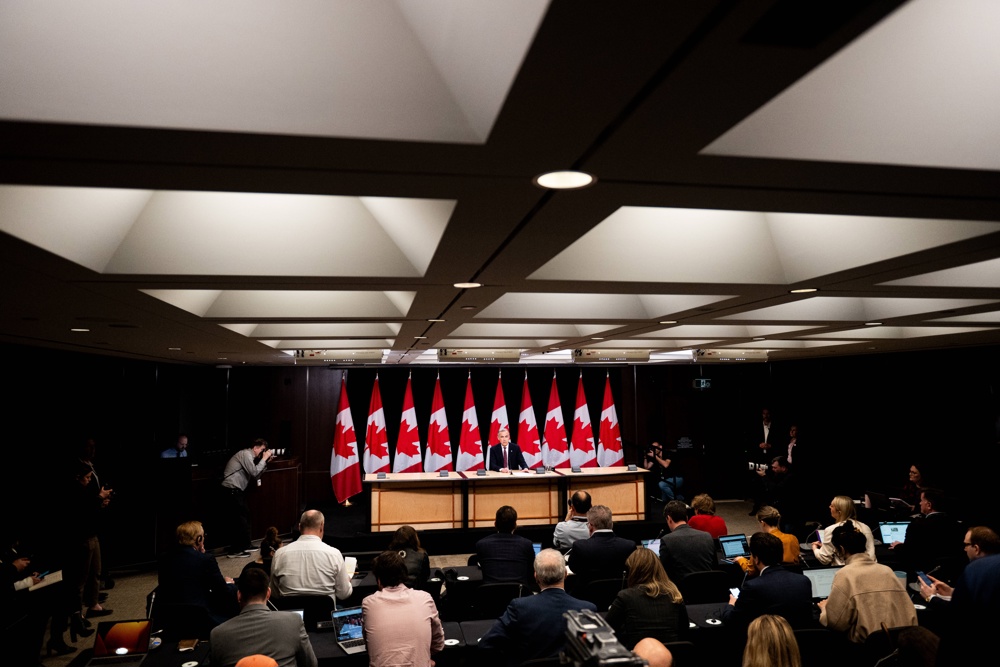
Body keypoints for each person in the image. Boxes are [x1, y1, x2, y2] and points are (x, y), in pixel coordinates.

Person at [478, 548, 596, 665]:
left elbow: (486, 644)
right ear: (565, 574)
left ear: (536, 576)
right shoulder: (588, 610)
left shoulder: (520, 607)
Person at [818, 523, 917, 642]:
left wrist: (825, 610)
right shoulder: (887, 570)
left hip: (867, 646)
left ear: (842, 549)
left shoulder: (844, 574)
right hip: (903, 642)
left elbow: (835, 623)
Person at [209, 567, 317, 667]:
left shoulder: (217, 634)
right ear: (268, 593)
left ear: (239, 595)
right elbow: (311, 664)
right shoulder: (294, 621)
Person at [362, 550, 444, 667]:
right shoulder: (425, 598)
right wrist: (423, 657)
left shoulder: (368, 604)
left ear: (378, 580)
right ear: (404, 575)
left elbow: (369, 646)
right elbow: (438, 643)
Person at [722, 533, 813, 632]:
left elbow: (733, 621)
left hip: (767, 639)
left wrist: (731, 605)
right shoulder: (804, 581)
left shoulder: (752, 587)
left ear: (756, 559)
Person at [606, 547, 688, 649]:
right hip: (672, 653)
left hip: (639, 654)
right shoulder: (674, 593)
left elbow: (607, 629)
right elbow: (684, 629)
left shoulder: (626, 596)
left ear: (633, 571)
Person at [158, 520, 237, 624]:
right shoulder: (205, 559)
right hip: (200, 616)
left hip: (170, 616)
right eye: (203, 536)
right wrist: (229, 584)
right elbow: (222, 592)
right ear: (199, 539)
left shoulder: (164, 558)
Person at [269, 510, 352, 602]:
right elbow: (344, 594)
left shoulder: (279, 554)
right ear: (322, 527)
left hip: (289, 610)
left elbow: (274, 594)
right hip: (324, 611)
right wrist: (347, 581)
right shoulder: (334, 554)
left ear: (299, 527)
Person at [919, 525, 1000, 603]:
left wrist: (930, 598)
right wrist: (952, 592)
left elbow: (959, 610)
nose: (965, 549)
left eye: (966, 545)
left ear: (976, 549)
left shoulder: (974, 570)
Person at [889, 488, 963, 573]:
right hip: (950, 571)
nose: (920, 503)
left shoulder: (917, 526)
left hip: (923, 572)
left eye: (921, 500)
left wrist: (898, 546)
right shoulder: (956, 525)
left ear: (929, 505)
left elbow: (908, 554)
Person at [221, 438, 273, 556]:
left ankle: (245, 545)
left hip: (237, 490)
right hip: (231, 489)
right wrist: (264, 459)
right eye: (262, 450)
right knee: (238, 520)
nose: (263, 453)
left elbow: (256, 475)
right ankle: (235, 550)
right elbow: (254, 472)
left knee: (245, 518)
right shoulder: (246, 454)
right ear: (255, 447)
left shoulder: (250, 457)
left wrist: (265, 462)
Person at [567, 505, 636, 586]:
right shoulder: (629, 546)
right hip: (619, 591)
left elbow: (573, 568)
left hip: (587, 592)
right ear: (612, 524)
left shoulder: (580, 547)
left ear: (590, 526)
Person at [474, 505, 535, 586]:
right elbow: (531, 574)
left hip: (490, 592)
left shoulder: (482, 545)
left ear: (495, 524)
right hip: (519, 591)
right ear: (515, 525)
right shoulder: (526, 544)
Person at [658, 500, 715, 582]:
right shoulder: (707, 536)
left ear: (669, 519)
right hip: (708, 586)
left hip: (680, 588)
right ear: (687, 518)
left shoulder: (667, 540)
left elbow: (663, 571)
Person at [811, 495, 875, 566]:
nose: (829, 507)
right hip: (870, 568)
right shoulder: (865, 527)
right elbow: (870, 554)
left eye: (832, 506)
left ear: (839, 512)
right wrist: (826, 547)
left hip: (844, 570)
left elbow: (824, 559)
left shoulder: (831, 529)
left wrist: (815, 548)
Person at [735, 506, 800, 575]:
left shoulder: (761, 542)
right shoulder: (792, 538)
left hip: (769, 577)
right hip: (791, 576)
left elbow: (750, 570)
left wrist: (740, 559)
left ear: (763, 523)